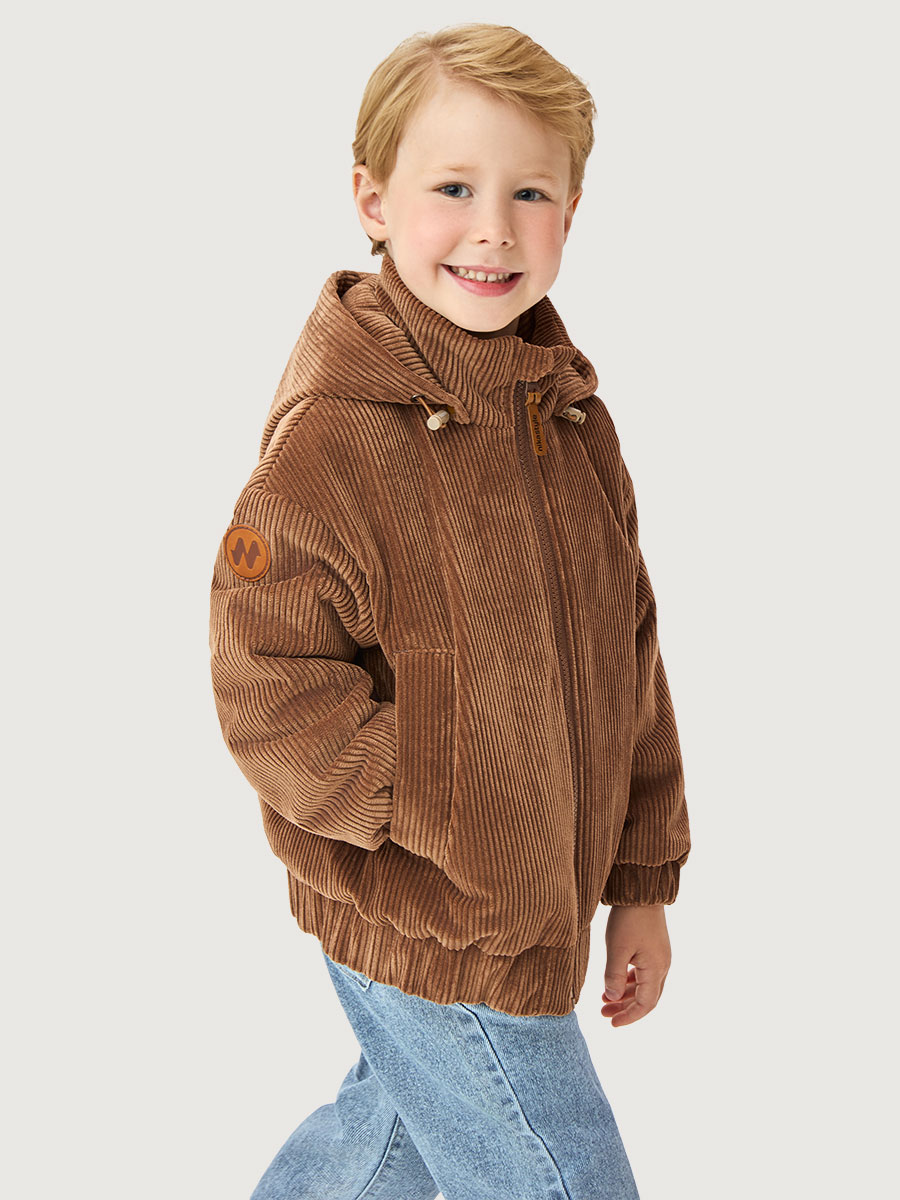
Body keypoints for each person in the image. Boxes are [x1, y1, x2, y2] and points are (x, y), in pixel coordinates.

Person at [209, 21, 691, 1200]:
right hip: (431, 913)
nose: (493, 229)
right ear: (373, 200)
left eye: (530, 192)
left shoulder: (570, 424)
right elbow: (266, 680)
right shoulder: (336, 435)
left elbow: (628, 658)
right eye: (454, 189)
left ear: (572, 212)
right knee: (564, 1179)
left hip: (534, 913)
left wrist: (641, 878)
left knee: (377, 1154)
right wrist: (434, 790)